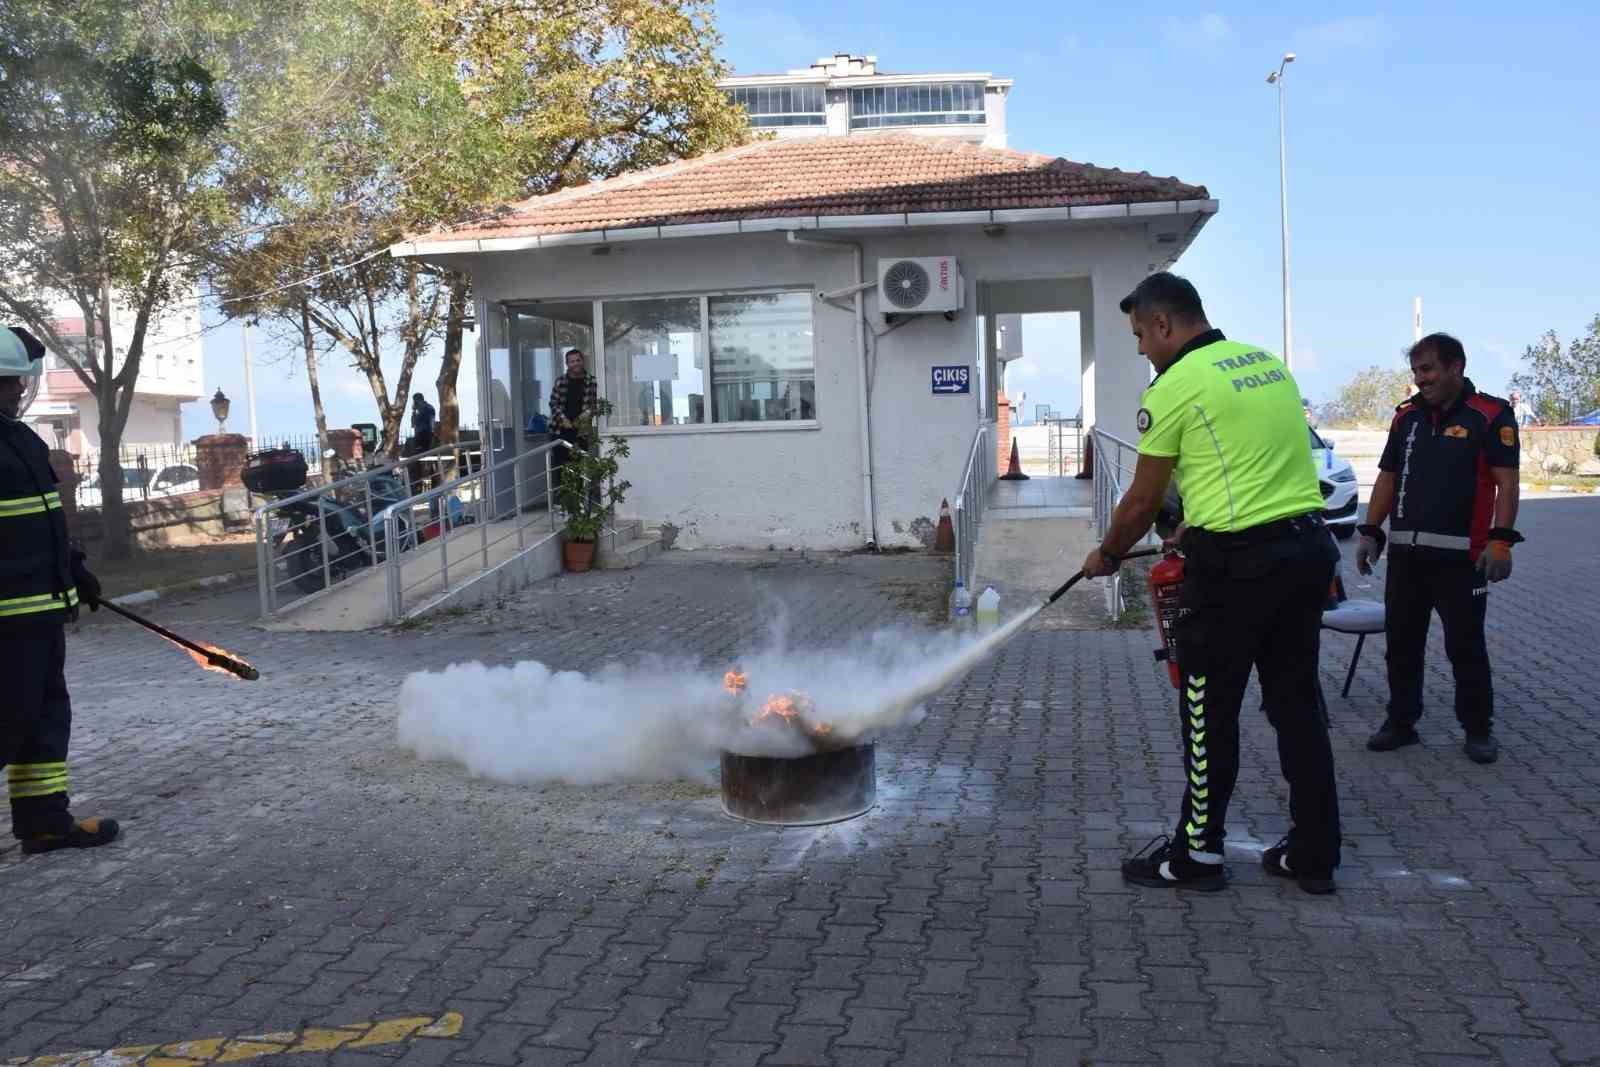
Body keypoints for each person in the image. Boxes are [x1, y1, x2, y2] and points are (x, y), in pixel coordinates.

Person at [1081, 272, 1342, 895]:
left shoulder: (1175, 386)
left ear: (1165, 324)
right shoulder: (1265, 363)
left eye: (1141, 334)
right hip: (1307, 551)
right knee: (1297, 707)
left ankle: (1196, 856)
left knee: (1207, 712)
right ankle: (1314, 852)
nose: (1142, 348)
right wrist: (1194, 525)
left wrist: (1109, 553)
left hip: (1234, 572)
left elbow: (1143, 500)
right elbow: (1251, 469)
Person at [1357, 334, 1520, 765]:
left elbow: (1507, 483)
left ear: (1456, 367)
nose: (1420, 379)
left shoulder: (1490, 415)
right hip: (1407, 559)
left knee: (1464, 647)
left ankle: (1478, 729)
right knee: (1401, 645)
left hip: (1463, 560)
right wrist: (1372, 531)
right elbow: (1387, 479)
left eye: (1427, 369)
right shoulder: (1405, 418)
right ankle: (1401, 722)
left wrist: (1501, 541)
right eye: (1415, 372)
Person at [0, 326, 119, 854]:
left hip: (40, 612)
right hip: (7, 619)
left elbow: (45, 521)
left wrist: (73, 569)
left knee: (44, 718)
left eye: (16, 384)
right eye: (6, 383)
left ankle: (45, 821)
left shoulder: (19, 439)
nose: (15, 393)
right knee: (9, 720)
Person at [548, 348, 599, 454]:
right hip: (560, 430)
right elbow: (553, 403)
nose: (576, 363)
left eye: (578, 360)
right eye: (572, 361)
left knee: (579, 465)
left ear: (582, 361)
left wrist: (582, 418)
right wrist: (563, 419)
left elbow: (594, 405)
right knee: (560, 466)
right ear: (567, 364)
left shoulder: (592, 381)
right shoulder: (560, 381)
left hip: (581, 431)